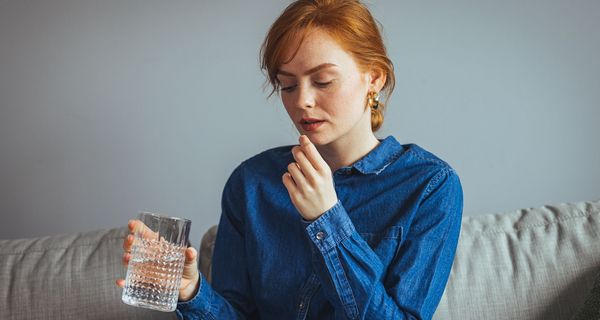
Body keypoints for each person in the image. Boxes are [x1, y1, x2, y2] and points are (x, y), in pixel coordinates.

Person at [117, 0, 463, 319]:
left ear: (374, 78)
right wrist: (191, 291)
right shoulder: (252, 182)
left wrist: (327, 220)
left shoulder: (430, 186)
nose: (303, 102)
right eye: (287, 86)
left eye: (323, 81)